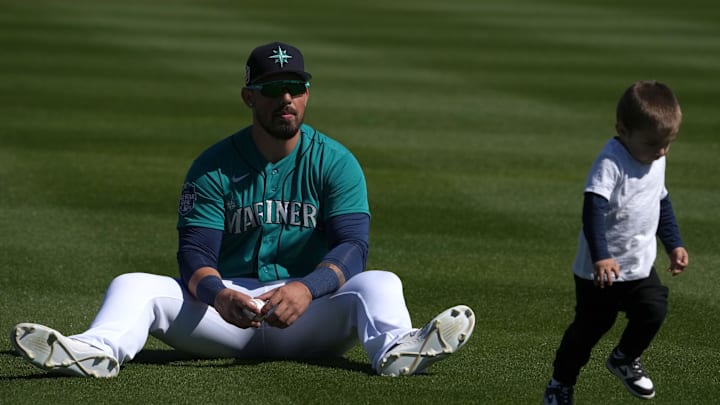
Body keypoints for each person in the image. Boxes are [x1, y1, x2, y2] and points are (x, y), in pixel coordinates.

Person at [10, 41, 475, 378]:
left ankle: (397, 348)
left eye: (295, 86)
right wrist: (219, 295)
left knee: (380, 282)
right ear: (249, 96)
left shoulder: (335, 162)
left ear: (308, 92)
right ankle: (95, 350)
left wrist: (308, 289)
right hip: (227, 312)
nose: (286, 99)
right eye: (273, 89)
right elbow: (193, 253)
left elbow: (353, 246)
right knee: (133, 285)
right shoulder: (213, 166)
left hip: (308, 314)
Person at [543, 80, 689, 405]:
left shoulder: (655, 157)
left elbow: (660, 201)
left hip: (638, 265)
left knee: (654, 309)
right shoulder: (611, 162)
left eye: (669, 143)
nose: (662, 151)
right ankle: (560, 383)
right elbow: (592, 209)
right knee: (588, 331)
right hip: (600, 271)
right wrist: (601, 256)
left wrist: (674, 243)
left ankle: (624, 358)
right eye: (654, 143)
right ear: (623, 130)